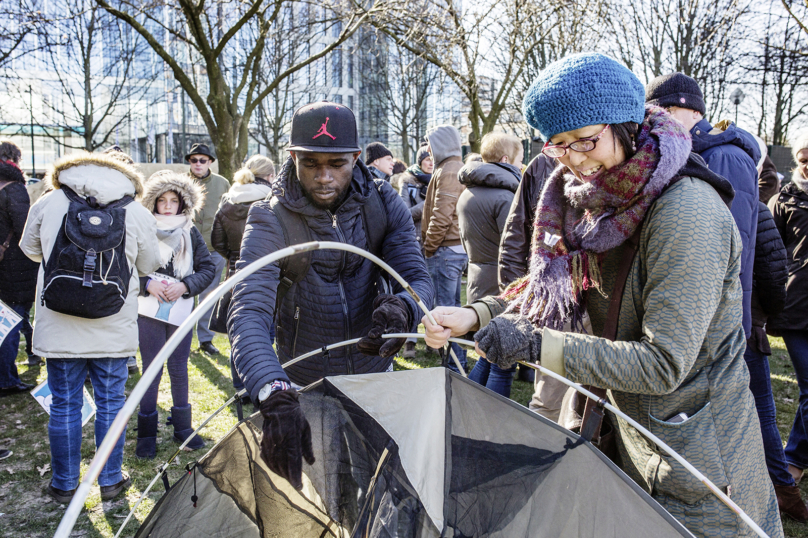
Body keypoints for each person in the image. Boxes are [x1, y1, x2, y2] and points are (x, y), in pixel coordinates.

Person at [423, 53, 782, 537]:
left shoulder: (686, 213)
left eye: (585, 140)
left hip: (703, 464)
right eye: (558, 145)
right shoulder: (588, 201)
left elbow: (664, 363)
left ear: (626, 124)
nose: (573, 159)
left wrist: (537, 346)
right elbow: (553, 290)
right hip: (634, 442)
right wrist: (475, 314)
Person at [228, 101, 433, 490]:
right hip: (306, 380)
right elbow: (248, 311)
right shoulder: (269, 217)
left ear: (357, 157)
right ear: (292, 157)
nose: (324, 177)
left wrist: (404, 309)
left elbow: (418, 280)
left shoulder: (382, 202)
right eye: (310, 163)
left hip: (374, 374)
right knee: (326, 489)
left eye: (337, 164)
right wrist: (273, 392)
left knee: (384, 483)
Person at [20, 151, 160, 504]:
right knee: (111, 403)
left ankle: (64, 484)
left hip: (59, 322)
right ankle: (110, 480)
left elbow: (30, 250)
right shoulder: (135, 210)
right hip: (112, 325)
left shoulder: (50, 200)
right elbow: (149, 263)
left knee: (64, 404)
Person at [647, 72, 760, 342]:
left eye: (670, 109)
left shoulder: (724, 156)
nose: (660, 118)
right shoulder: (680, 155)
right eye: (653, 112)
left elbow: (732, 243)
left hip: (715, 312)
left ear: (697, 112)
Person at [135, 171, 216, 459]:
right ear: (153, 202)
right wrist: (147, 283)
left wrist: (185, 285)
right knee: (151, 369)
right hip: (148, 312)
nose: (168, 206)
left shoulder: (190, 232)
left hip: (181, 310)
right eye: (162, 200)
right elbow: (128, 266)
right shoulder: (142, 229)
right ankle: (145, 432)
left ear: (183, 204)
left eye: (174, 200)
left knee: (179, 367)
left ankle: (183, 427)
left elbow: (207, 268)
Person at [456, 132, 522, 397]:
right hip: (502, 281)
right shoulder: (504, 198)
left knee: (486, 354)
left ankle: (469, 403)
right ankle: (492, 417)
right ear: (506, 159)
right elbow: (514, 246)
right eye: (519, 160)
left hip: (477, 276)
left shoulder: (468, 193)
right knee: (502, 360)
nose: (521, 165)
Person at [211, 155, 274, 390]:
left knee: (240, 327)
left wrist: (234, 257)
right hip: (268, 268)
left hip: (237, 271)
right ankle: (261, 383)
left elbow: (217, 240)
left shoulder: (228, 200)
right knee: (265, 329)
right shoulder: (273, 200)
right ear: (270, 176)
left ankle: (239, 385)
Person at [768, 131, 808, 497]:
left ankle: (795, 454)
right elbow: (770, 252)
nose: (807, 164)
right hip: (796, 307)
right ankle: (793, 460)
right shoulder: (784, 199)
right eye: (803, 157)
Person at [422, 125, 467, 371]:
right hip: (450, 250)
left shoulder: (449, 169)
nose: (427, 150)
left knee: (446, 313)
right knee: (451, 308)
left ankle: (453, 365)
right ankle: (454, 361)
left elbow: (442, 215)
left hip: (445, 250)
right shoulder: (448, 167)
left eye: (430, 144)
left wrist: (429, 247)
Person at [0, 140, 38, 395]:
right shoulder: (14, 189)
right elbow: (26, 229)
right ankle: (6, 380)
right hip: (13, 267)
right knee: (12, 320)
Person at [185, 142, 230, 356]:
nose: (198, 164)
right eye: (194, 160)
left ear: (210, 162)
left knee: (208, 296)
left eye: (203, 160)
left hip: (213, 248)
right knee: (182, 294)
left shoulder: (222, 184)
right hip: (183, 248)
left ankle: (204, 339)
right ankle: (180, 339)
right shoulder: (180, 183)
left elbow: (230, 215)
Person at [394, 145, 433, 358]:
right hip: (414, 244)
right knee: (414, 292)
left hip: (434, 245)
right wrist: (426, 206)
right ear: (420, 161)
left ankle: (431, 339)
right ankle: (409, 341)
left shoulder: (437, 182)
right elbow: (404, 215)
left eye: (433, 159)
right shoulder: (408, 183)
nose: (430, 162)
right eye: (427, 159)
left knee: (432, 294)